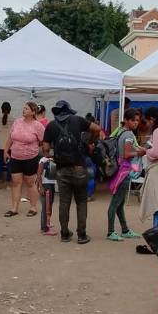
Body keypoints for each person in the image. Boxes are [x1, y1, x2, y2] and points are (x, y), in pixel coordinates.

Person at [42, 100, 101, 244]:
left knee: (64, 202)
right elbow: (97, 128)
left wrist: (54, 154)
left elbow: (45, 149)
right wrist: (89, 143)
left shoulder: (50, 125)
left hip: (61, 170)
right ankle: (82, 235)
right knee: (81, 201)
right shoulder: (78, 120)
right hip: (79, 168)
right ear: (69, 110)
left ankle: (64, 234)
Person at [107, 109, 146, 241]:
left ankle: (124, 230)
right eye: (133, 120)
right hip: (124, 172)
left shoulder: (119, 131)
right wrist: (139, 153)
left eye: (137, 120)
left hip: (118, 170)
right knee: (115, 204)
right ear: (127, 120)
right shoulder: (129, 135)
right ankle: (110, 232)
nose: (136, 123)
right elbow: (127, 154)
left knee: (119, 203)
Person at [5, 102, 45, 217]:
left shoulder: (37, 126)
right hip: (15, 157)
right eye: (23, 108)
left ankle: (33, 207)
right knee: (16, 182)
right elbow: (10, 138)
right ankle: (14, 208)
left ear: (33, 112)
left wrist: (38, 151)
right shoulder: (17, 122)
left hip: (30, 158)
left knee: (30, 183)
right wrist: (6, 151)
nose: (24, 110)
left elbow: (43, 141)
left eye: (26, 109)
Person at [0, 102, 14, 187]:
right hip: (10, 144)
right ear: (10, 109)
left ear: (1, 109)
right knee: (9, 162)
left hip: (0, 144)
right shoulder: (13, 119)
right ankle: (9, 178)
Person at [37, 155, 57, 235]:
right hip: (46, 185)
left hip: (51, 185)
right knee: (46, 207)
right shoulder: (43, 160)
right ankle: (44, 228)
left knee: (49, 206)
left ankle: (47, 224)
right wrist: (41, 187)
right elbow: (38, 174)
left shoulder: (53, 159)